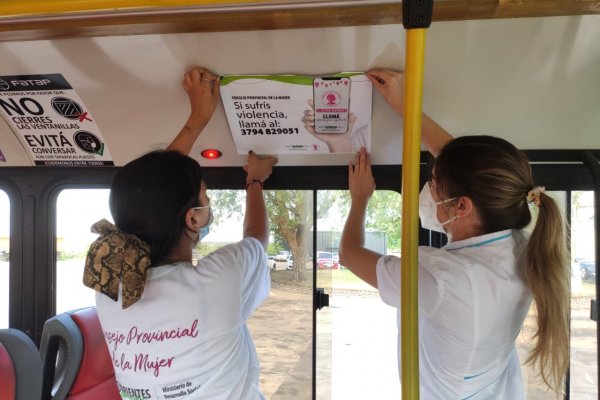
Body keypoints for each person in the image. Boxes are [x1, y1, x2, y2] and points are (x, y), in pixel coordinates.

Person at [339, 69, 569, 399]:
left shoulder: (442, 277)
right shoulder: (520, 245)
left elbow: (349, 253)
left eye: (433, 185)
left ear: (461, 206)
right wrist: (406, 108)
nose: (429, 191)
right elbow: (471, 169)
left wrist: (359, 198)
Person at [83, 67, 278, 400]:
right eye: (205, 194)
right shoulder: (217, 279)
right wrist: (256, 179)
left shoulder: (111, 290)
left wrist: (198, 119)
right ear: (192, 219)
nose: (208, 201)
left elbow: (151, 191)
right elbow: (257, 237)